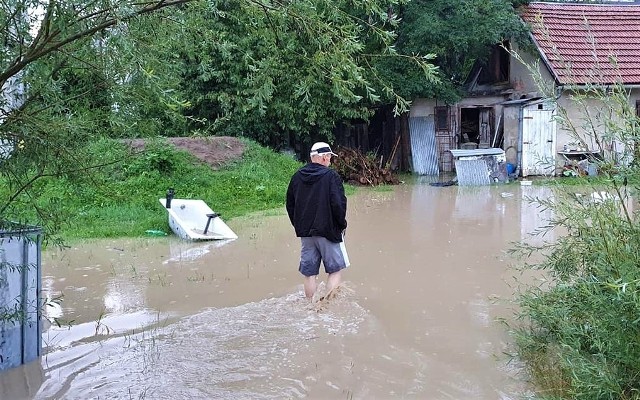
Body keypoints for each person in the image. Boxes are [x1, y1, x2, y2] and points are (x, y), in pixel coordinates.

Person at [286, 141, 349, 300]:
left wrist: (299, 226)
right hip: (328, 231)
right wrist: (341, 225)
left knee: (309, 273)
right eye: (329, 157)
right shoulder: (331, 176)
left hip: (306, 233)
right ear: (324, 157)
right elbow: (339, 204)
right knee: (334, 270)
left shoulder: (297, 176)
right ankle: (326, 308)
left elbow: (290, 205)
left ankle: (310, 307)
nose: (330, 160)